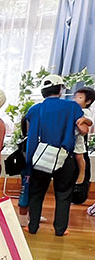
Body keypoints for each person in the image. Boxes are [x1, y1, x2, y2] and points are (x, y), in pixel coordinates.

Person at [25, 74, 87, 236]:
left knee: (37, 193)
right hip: (65, 156)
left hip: (41, 156)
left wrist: (29, 164)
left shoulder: (34, 110)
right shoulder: (72, 107)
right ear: (60, 89)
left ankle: (32, 227)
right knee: (63, 194)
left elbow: (30, 137)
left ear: (43, 91)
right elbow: (83, 129)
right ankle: (60, 230)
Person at [73, 86, 94, 185]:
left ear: (88, 101)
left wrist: (84, 120)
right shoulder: (73, 108)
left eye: (80, 98)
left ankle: (82, 173)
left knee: (79, 156)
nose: (76, 99)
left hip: (78, 138)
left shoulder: (85, 111)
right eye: (75, 97)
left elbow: (90, 123)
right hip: (71, 136)